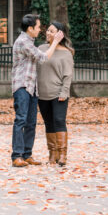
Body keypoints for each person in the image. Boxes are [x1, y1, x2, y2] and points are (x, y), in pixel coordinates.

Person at [10, 13, 63, 167]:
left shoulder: (30, 41)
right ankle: (17, 156)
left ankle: (27, 155)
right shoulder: (23, 42)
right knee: (21, 119)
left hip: (32, 88)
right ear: (30, 28)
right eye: (38, 27)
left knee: (31, 122)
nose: (40, 30)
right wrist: (55, 42)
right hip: (22, 86)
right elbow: (42, 57)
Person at [37, 21, 74, 166]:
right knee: (48, 123)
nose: (47, 33)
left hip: (58, 94)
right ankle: (52, 154)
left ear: (60, 34)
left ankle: (63, 155)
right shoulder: (41, 49)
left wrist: (64, 92)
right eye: (47, 31)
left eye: (51, 31)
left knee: (59, 121)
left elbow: (67, 76)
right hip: (42, 93)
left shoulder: (66, 53)